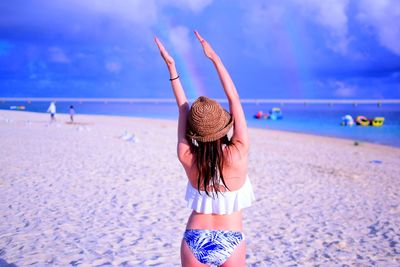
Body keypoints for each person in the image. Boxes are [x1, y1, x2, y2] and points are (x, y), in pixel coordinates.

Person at [155, 31, 255, 267]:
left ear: (195, 133)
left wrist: (171, 67)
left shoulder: (187, 156)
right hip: (231, 239)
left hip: (194, 238)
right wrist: (215, 59)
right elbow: (235, 99)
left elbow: (182, 109)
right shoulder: (238, 151)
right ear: (224, 125)